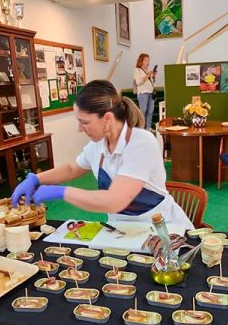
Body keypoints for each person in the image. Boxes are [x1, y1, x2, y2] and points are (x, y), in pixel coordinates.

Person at [11, 80, 193, 229]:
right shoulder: (97, 145)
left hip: (163, 230)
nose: (79, 129)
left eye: (84, 122)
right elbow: (72, 169)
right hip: (122, 230)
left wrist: (61, 192)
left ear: (107, 118)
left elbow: (115, 201)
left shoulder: (142, 142)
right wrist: (35, 179)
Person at [133, 53, 156, 130]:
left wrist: (153, 76)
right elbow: (138, 82)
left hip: (150, 92)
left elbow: (151, 82)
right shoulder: (137, 70)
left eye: (148, 60)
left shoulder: (148, 70)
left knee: (150, 111)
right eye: (146, 60)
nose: (148, 62)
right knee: (143, 111)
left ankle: (148, 127)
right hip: (143, 93)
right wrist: (148, 75)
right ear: (141, 61)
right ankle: (141, 128)